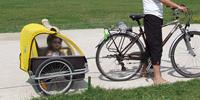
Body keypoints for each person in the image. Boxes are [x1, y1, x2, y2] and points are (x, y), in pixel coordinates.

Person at [141, 0, 187, 85]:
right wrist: (178, 7)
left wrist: (172, 5)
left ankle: (143, 71)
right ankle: (157, 78)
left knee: (151, 46)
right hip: (153, 17)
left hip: (153, 17)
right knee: (156, 47)